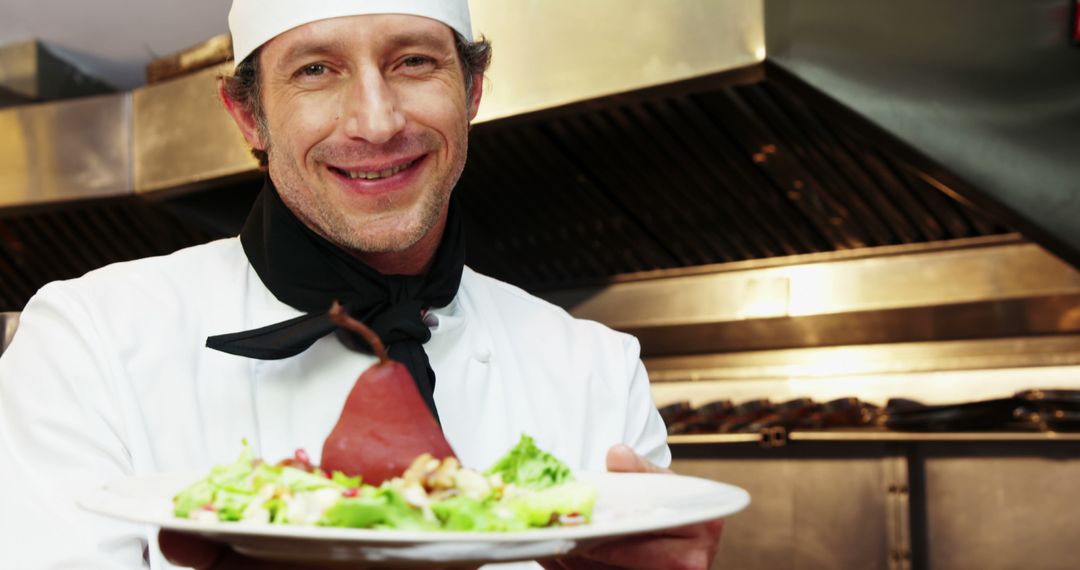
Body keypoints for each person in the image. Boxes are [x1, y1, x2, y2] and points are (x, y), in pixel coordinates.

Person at [0, 1, 724, 568]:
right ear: (248, 114)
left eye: (413, 61)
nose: (376, 122)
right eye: (316, 70)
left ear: (472, 90)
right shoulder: (86, 340)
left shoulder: (596, 368)